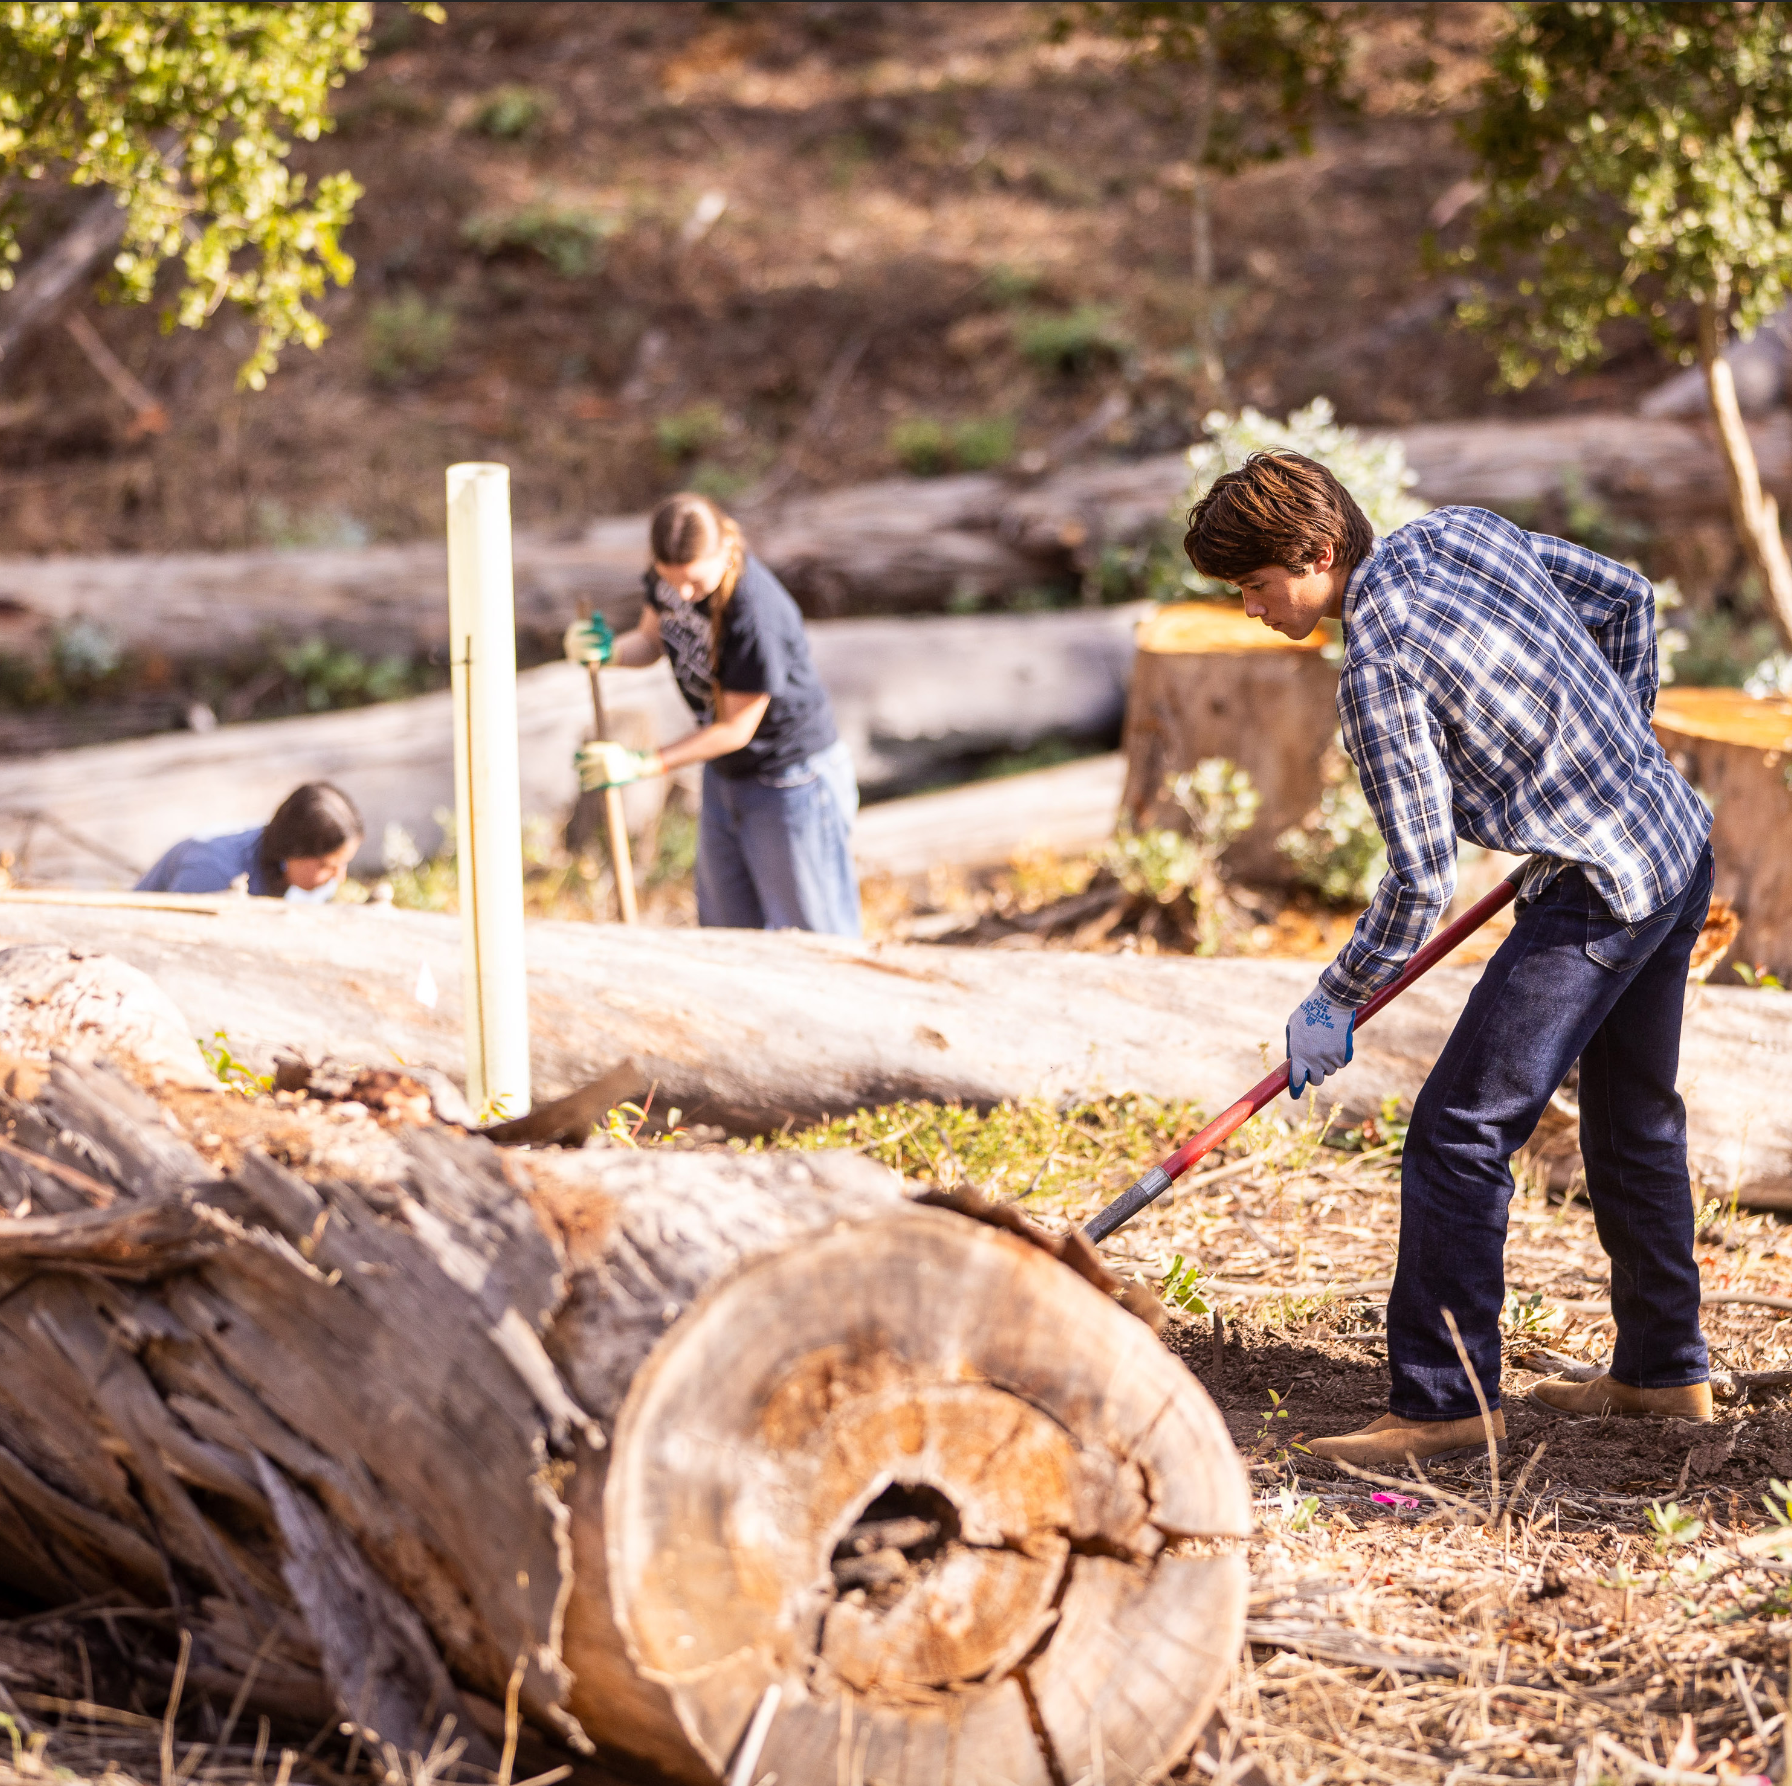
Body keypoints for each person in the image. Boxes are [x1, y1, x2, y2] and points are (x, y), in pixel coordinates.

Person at [1182, 452, 1715, 1468]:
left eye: (1256, 585)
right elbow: (1628, 600)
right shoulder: (1455, 531)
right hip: (1670, 841)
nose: (1250, 608)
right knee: (1631, 1115)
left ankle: (1443, 1402)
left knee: (1457, 1137)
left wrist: (1331, 1000)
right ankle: (1662, 1373)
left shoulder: (1376, 664)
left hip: (1601, 887)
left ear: (1318, 552)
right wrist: (1614, 753)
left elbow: (1421, 880)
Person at [565, 491, 861, 937]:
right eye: (671, 581)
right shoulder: (671, 582)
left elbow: (736, 728)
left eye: (695, 585)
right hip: (727, 775)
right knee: (725, 933)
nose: (682, 595)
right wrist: (607, 652)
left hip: (790, 781)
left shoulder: (755, 614)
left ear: (724, 551)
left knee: (812, 940)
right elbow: (651, 640)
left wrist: (643, 762)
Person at [135, 782, 364, 902]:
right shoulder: (212, 872)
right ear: (291, 850)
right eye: (327, 866)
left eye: (343, 864)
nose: (339, 878)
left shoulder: (314, 879)